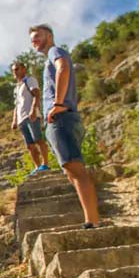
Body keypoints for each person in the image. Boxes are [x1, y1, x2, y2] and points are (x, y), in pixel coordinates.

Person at [29, 24, 100, 228]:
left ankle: (92, 222)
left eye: (38, 36)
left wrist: (58, 104)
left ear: (49, 36)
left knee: (75, 169)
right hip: (64, 118)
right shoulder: (50, 56)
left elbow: (64, 68)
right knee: (71, 170)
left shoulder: (55, 51)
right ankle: (91, 220)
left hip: (62, 118)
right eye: (32, 39)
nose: (35, 41)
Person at [9, 62, 50, 175]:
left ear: (23, 69)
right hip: (22, 118)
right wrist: (14, 120)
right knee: (29, 145)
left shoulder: (29, 80)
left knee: (38, 139)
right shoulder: (17, 88)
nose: (15, 72)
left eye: (17, 69)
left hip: (31, 115)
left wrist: (33, 110)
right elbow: (16, 105)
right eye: (13, 70)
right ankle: (37, 167)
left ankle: (45, 163)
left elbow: (36, 94)